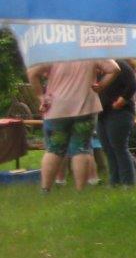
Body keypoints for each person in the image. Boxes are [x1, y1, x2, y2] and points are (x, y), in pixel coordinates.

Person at [27, 58, 119, 192]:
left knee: (54, 149)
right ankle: (80, 190)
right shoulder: (90, 52)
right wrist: (101, 86)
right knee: (81, 148)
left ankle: (45, 189)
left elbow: (31, 72)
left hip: (57, 109)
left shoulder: (55, 53)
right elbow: (114, 69)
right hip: (85, 109)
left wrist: (41, 97)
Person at [96, 56, 136, 187]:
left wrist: (123, 99)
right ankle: (115, 182)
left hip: (120, 113)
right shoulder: (97, 69)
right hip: (102, 114)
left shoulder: (119, 64)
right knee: (108, 149)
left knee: (119, 147)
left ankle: (128, 183)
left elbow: (133, 84)